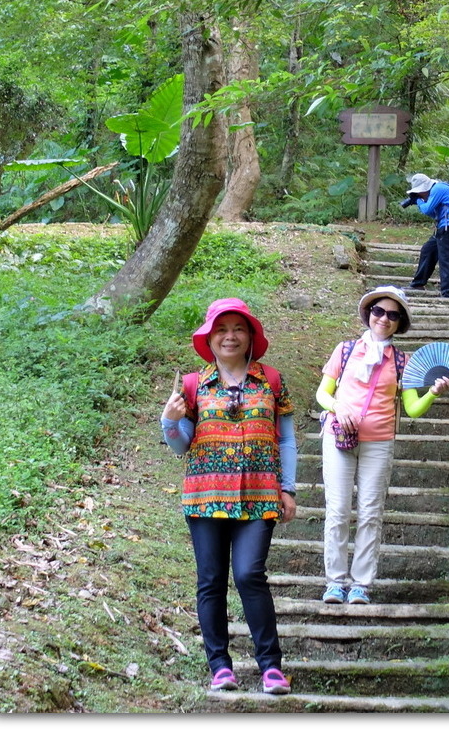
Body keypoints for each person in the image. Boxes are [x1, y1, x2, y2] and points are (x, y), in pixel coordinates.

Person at [160, 298, 297, 695]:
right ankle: (220, 666)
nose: (230, 336)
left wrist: (287, 487)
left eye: (238, 328)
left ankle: (271, 667)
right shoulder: (193, 385)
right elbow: (180, 445)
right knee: (211, 581)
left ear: (250, 335)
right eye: (221, 329)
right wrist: (169, 421)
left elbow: (286, 440)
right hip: (206, 498)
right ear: (209, 338)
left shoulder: (271, 380)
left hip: (259, 495)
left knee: (250, 574)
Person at [315, 286, 449, 605]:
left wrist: (432, 392)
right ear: (369, 314)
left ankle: (361, 584)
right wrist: (339, 407)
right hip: (340, 437)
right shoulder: (345, 350)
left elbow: (413, 408)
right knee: (337, 511)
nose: (384, 319)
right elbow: (323, 394)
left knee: (370, 513)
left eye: (393, 315)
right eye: (379, 311)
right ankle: (335, 581)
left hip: (379, 443)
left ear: (399, 321)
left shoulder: (404, 362)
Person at [403, 172, 449, 298]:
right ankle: (418, 284)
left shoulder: (438, 189)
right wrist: (420, 201)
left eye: (419, 192)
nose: (419, 194)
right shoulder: (436, 190)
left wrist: (418, 201)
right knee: (428, 250)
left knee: (446, 258)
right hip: (444, 226)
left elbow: (427, 209)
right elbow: (434, 214)